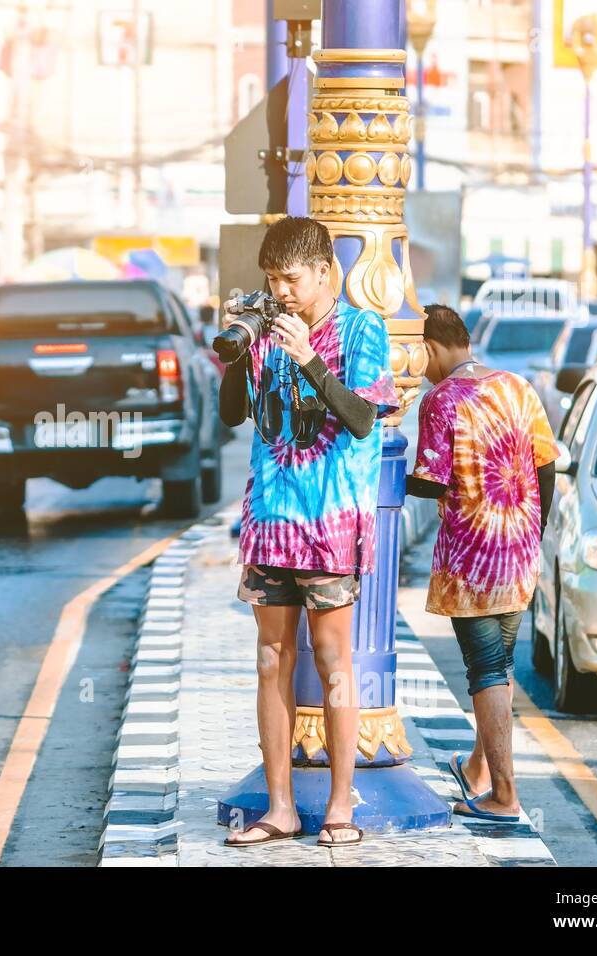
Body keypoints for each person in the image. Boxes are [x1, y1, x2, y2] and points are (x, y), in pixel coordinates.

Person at [218, 216, 398, 848]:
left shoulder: (361, 329)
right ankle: (281, 807)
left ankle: (341, 807)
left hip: (331, 524)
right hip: (270, 520)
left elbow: (359, 418)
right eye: (272, 280)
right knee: (272, 659)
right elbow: (233, 415)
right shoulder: (267, 330)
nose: (282, 291)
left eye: (291, 278)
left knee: (332, 661)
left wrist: (309, 359)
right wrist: (236, 351)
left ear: (324, 271)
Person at [406, 304, 557, 824]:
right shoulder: (518, 386)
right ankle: (478, 770)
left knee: (486, 672)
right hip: (518, 553)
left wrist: (384, 470)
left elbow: (431, 482)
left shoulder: (440, 400)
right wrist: (531, 535)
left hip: (472, 563)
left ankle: (505, 795)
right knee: (501, 668)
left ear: (429, 347)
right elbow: (547, 466)